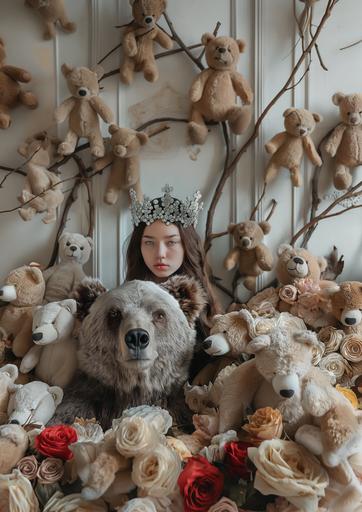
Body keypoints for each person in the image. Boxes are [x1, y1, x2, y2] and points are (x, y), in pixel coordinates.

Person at [125, 185, 221, 378]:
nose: (160, 254)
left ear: (186, 246)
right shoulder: (125, 301)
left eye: (171, 242)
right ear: (139, 246)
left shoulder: (204, 309)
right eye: (149, 243)